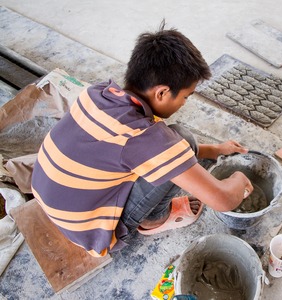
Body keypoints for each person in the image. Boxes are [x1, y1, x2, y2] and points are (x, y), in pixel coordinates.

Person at [31, 21, 253, 257]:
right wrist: (240, 179)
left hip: (49, 197)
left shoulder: (98, 93)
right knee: (180, 141)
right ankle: (152, 220)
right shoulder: (146, 137)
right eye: (186, 97)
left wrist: (216, 150)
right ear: (162, 92)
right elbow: (224, 200)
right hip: (87, 231)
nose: (184, 104)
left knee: (176, 144)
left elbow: (130, 147)